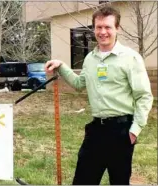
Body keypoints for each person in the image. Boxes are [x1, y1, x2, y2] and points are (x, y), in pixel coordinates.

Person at [44, 5, 153, 185]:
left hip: (121, 131)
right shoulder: (90, 59)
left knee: (119, 181)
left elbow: (144, 96)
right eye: (99, 27)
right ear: (94, 28)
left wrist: (134, 130)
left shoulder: (130, 58)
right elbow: (80, 84)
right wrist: (61, 66)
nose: (103, 32)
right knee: (83, 181)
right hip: (96, 130)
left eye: (108, 27)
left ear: (117, 28)